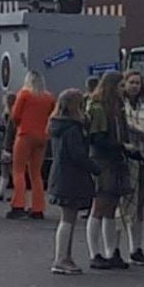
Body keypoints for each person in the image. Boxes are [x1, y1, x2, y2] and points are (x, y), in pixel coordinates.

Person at [47, 89, 96, 275]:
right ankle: (61, 258)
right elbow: (78, 155)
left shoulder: (57, 125)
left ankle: (64, 257)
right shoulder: (73, 129)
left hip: (61, 175)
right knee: (68, 219)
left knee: (68, 218)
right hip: (71, 177)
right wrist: (95, 168)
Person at [85, 71, 131, 270]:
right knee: (100, 206)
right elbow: (97, 139)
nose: (124, 90)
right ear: (112, 87)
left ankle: (110, 251)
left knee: (111, 207)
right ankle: (94, 253)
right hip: (103, 161)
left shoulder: (116, 107)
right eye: (121, 86)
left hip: (114, 160)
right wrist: (122, 147)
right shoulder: (99, 107)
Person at [121, 70, 144, 266]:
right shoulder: (120, 105)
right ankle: (115, 248)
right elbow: (126, 125)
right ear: (124, 84)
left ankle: (136, 248)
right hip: (126, 156)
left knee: (140, 205)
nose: (135, 86)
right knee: (123, 204)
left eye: (138, 83)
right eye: (132, 82)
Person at [7, 71, 56, 220]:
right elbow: (52, 115)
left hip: (25, 135)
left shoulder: (24, 94)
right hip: (42, 137)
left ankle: (18, 205)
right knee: (36, 173)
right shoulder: (48, 97)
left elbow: (15, 116)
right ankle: (38, 208)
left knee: (19, 171)